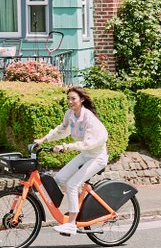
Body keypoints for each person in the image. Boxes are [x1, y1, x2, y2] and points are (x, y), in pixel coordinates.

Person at [34, 86, 108, 236]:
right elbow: (62, 129)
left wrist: (65, 147)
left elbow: (88, 143)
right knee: (60, 178)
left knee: (72, 184)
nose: (70, 101)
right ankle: (77, 204)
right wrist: (43, 140)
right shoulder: (71, 114)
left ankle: (72, 224)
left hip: (97, 157)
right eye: (68, 98)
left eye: (73, 98)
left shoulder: (89, 118)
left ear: (81, 100)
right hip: (85, 154)